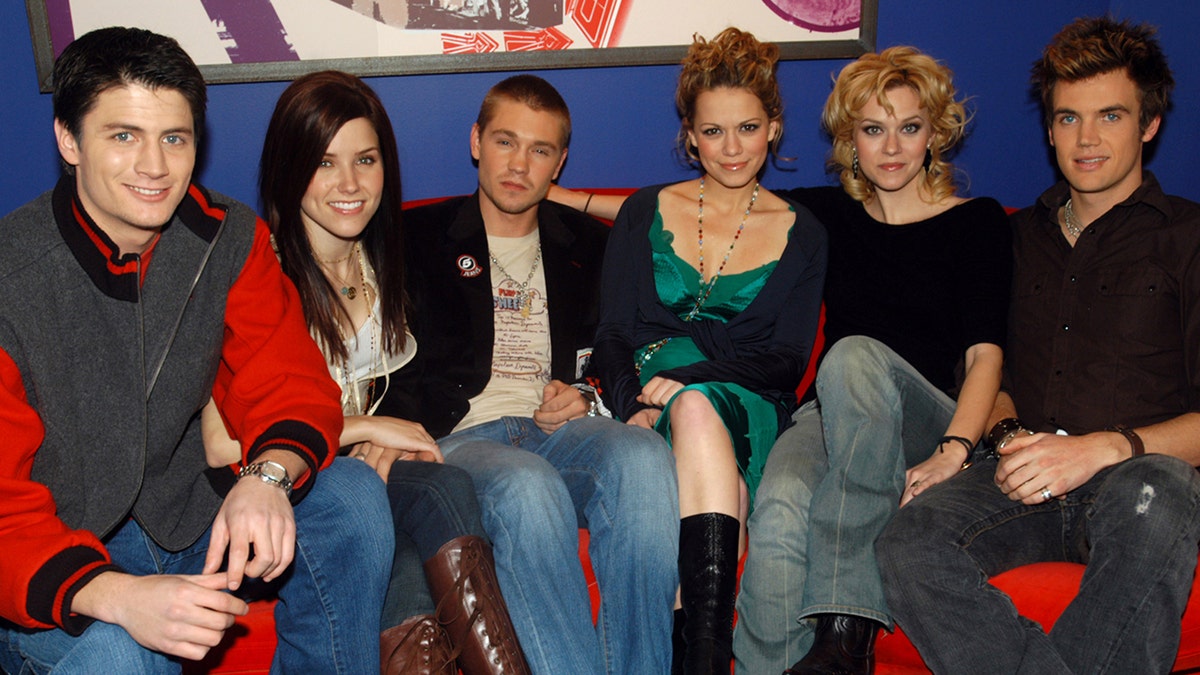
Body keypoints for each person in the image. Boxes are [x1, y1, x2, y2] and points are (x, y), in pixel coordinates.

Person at [555, 45, 1010, 675]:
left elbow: (986, 355)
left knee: (850, 358)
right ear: (851, 140)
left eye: (910, 128)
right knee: (785, 498)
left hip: (917, 412)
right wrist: (562, 196)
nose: (892, 148)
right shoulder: (831, 215)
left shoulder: (972, 222)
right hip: (827, 414)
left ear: (937, 132)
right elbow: (685, 210)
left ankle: (840, 641)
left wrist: (956, 447)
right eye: (873, 130)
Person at [0, 28, 392, 673]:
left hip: (186, 518)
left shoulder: (228, 238)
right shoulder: (12, 276)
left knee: (349, 498)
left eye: (173, 139)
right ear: (69, 140)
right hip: (53, 548)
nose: (155, 166)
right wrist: (116, 596)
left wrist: (267, 476)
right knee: (119, 651)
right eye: (123, 136)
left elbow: (288, 380)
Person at [876, 17, 1200, 674]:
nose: (1086, 138)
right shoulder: (1015, 238)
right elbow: (988, 372)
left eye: (1110, 115)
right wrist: (1009, 429)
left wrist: (1104, 447)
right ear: (1049, 127)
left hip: (1136, 479)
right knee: (907, 538)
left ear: (1149, 125)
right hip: (1018, 476)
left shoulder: (1189, 238)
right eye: (1067, 117)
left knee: (1160, 496)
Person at [202, 70, 528, 674]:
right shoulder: (256, 271)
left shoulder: (388, 261)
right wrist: (363, 429)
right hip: (280, 487)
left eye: (367, 160)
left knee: (405, 523)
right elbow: (222, 441)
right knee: (435, 490)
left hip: (358, 486)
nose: (349, 184)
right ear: (287, 168)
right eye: (325, 163)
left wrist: (384, 439)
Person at [388, 74, 680, 674]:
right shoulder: (412, 239)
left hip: (560, 432)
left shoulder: (590, 246)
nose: (519, 165)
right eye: (505, 142)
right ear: (476, 141)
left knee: (646, 457)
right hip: (460, 440)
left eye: (539, 150)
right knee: (526, 487)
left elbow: (616, 346)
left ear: (560, 162)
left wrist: (585, 395)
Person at [591, 28, 828, 673]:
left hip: (746, 403)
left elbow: (785, 361)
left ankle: (702, 655)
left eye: (748, 128)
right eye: (713, 131)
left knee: (696, 410)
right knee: (684, 427)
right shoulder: (644, 211)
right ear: (689, 134)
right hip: (643, 398)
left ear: (774, 128)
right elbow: (610, 334)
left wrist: (690, 380)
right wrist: (627, 405)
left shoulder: (801, 232)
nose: (732, 149)